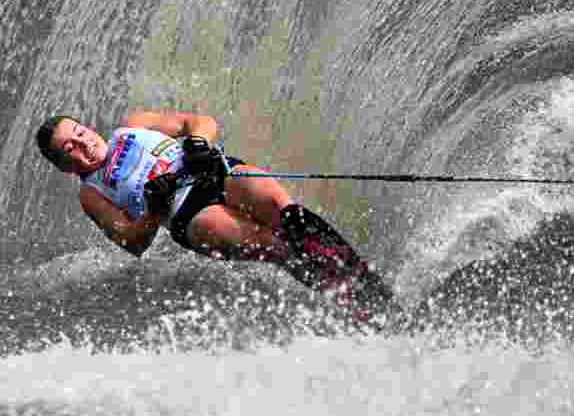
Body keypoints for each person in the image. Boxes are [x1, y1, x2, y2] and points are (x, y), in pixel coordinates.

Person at [35, 110, 392, 315]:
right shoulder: (91, 192)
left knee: (289, 215)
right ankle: (359, 309)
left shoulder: (133, 123)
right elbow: (132, 241)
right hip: (187, 212)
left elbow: (199, 120)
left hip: (212, 169)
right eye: (71, 149)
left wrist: (198, 142)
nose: (83, 144)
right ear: (66, 166)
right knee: (279, 247)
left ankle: (373, 289)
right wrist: (154, 211)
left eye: (80, 132)